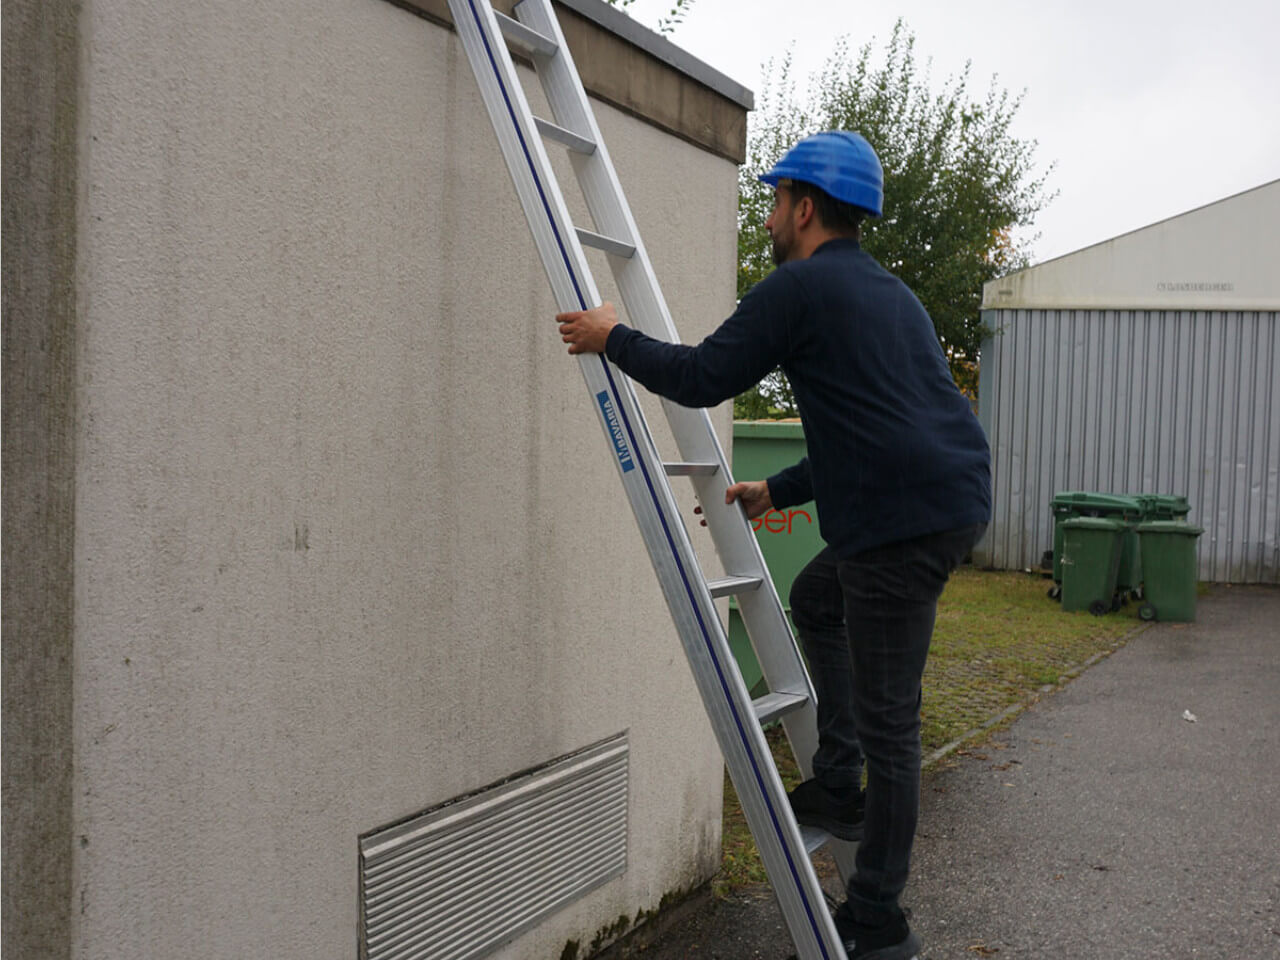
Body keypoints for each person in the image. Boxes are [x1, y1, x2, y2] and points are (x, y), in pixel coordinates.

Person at [555, 130, 990, 960]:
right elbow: (872, 425)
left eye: (775, 200)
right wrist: (778, 490)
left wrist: (611, 335)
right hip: (939, 498)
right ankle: (837, 777)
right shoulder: (889, 296)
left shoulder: (800, 289)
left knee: (894, 724)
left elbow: (698, 378)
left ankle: (877, 917)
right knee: (818, 599)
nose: (767, 218)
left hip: (902, 521)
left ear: (804, 206)